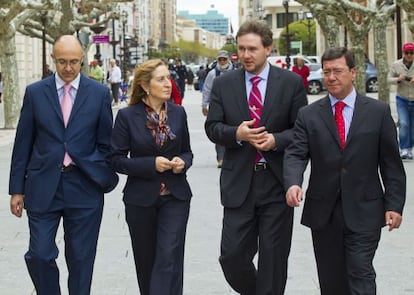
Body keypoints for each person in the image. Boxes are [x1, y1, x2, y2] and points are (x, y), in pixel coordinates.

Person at [284, 47, 406, 295]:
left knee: (360, 271)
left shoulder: (377, 112)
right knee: (331, 280)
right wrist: (293, 182)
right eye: (326, 71)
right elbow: (296, 153)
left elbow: (391, 163)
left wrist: (394, 204)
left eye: (337, 71)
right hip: (324, 212)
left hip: (365, 208)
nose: (330, 77)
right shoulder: (308, 115)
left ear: (353, 72)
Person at [8, 35, 118, 295]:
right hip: (42, 186)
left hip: (84, 187)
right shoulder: (35, 93)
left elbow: (106, 143)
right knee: (40, 254)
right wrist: (16, 189)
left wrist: (99, 175)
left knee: (81, 260)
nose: (68, 68)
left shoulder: (99, 93)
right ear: (53, 60)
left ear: (82, 60)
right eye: (62, 62)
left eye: (73, 62)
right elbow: (23, 142)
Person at [204, 20, 308, 295]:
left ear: (268, 48)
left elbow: (301, 131)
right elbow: (212, 127)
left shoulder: (291, 83)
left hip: (276, 182)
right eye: (241, 49)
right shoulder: (224, 84)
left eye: (252, 49)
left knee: (273, 261)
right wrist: (236, 134)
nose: (246, 55)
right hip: (239, 183)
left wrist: (276, 140)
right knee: (232, 257)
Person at [111, 59, 193, 295]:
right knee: (146, 262)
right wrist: (151, 165)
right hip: (140, 199)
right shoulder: (127, 116)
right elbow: (116, 159)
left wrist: (182, 163)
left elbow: (186, 151)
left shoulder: (178, 113)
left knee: (170, 255)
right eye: (161, 79)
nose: (169, 83)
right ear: (145, 86)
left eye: (168, 78)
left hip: (175, 196)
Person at [202, 50, 236, 168]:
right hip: (217, 106)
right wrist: (204, 105)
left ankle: (230, 155)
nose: (222, 62)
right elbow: (206, 89)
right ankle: (221, 157)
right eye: (220, 60)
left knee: (233, 130)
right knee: (219, 130)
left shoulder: (236, 72)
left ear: (228, 60)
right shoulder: (212, 74)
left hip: (233, 105)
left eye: (224, 59)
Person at [388, 41, 414, 160]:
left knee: (412, 126)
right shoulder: (396, 65)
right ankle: (404, 148)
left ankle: (409, 148)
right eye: (407, 53)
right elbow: (388, 79)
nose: (409, 55)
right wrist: (399, 79)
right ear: (403, 53)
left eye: (412, 53)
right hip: (402, 99)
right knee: (404, 124)